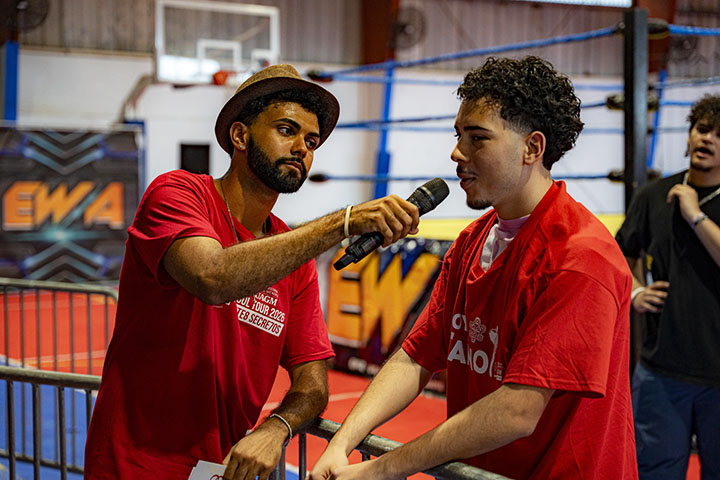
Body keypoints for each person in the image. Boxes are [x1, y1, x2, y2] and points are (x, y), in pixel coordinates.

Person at [83, 64, 421, 480]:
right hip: (135, 464)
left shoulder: (292, 257)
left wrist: (277, 427)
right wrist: (343, 222)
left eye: (311, 141)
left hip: (219, 471)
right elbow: (213, 277)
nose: (301, 148)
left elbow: (313, 382)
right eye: (286, 130)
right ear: (240, 136)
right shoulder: (177, 194)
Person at [309, 56, 638, 480]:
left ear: (532, 148)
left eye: (478, 138)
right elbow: (415, 358)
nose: (457, 152)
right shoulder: (471, 242)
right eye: (458, 134)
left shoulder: (581, 258)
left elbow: (518, 410)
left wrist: (382, 470)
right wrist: (342, 443)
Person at [615, 95, 720, 479]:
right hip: (661, 371)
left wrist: (695, 215)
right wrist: (634, 292)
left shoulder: (689, 204)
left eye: (719, 135)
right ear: (689, 135)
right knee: (653, 473)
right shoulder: (654, 196)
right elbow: (619, 254)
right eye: (702, 129)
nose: (708, 139)